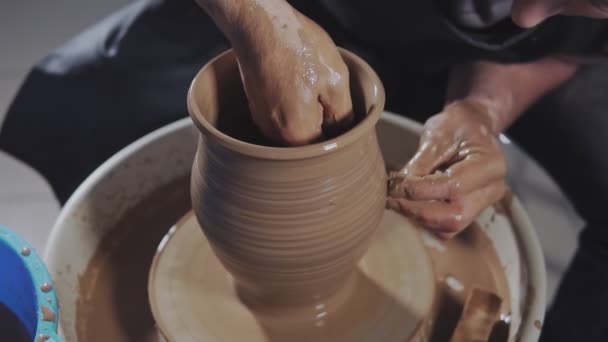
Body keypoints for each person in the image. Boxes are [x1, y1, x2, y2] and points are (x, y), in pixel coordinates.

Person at [1, 0, 607, 339]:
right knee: (85, 101)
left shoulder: (536, 19)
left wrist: (481, 106)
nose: (528, 14)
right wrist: (255, 16)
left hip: (511, 64)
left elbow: (550, 38)